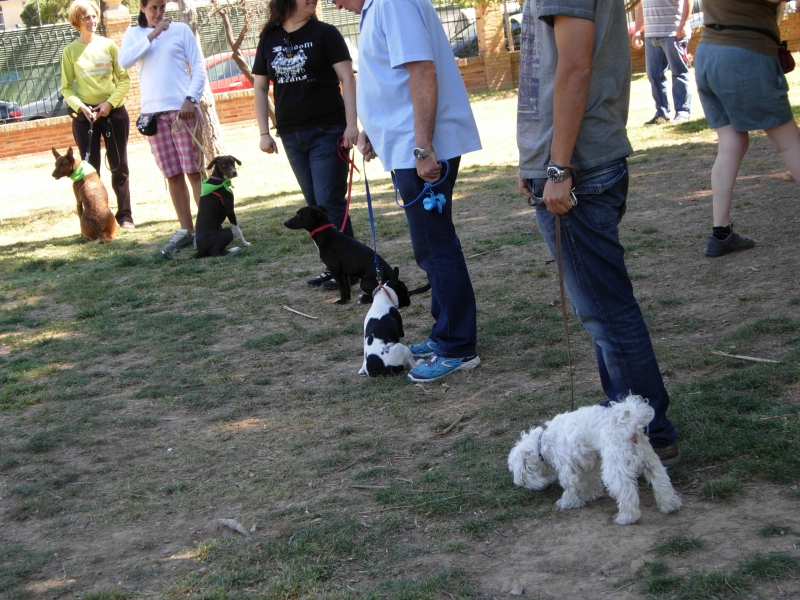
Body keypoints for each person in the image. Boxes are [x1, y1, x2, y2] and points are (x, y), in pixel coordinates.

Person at [516, 0, 680, 465]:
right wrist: (533, 159)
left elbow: (576, 66)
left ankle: (647, 436)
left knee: (607, 313)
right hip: (570, 162)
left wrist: (556, 164)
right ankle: (625, 422)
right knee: (602, 310)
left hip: (579, 167)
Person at [331, 0, 482, 383]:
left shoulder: (390, 3)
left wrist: (422, 148)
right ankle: (445, 332)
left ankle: (457, 346)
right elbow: (395, 82)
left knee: (435, 247)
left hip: (422, 151)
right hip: (410, 147)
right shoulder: (379, 8)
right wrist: (375, 131)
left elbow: (422, 71)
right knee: (433, 246)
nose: (330, 2)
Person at [253, 0, 359, 290]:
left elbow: (347, 79)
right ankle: (337, 266)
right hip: (291, 134)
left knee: (329, 202)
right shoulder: (269, 38)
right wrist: (264, 132)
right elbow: (260, 88)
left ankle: (346, 269)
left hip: (328, 129)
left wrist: (352, 125)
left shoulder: (326, 33)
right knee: (315, 207)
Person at [695, 0, 800, 257]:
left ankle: (721, 235)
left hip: (708, 52)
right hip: (744, 53)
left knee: (731, 144)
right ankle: (721, 235)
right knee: (789, 143)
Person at [119, 0, 207, 256]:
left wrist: (191, 99)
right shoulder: (134, 34)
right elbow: (124, 61)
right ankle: (186, 230)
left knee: (193, 171)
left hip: (183, 111)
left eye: (161, 6)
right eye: (153, 8)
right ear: (143, 8)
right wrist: (153, 34)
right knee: (172, 175)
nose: (158, 13)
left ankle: (205, 230)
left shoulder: (181, 30)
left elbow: (198, 66)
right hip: (153, 115)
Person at [61, 0, 134, 228]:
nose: (92, 21)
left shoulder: (109, 45)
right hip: (86, 118)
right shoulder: (70, 51)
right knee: (89, 170)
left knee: (118, 165)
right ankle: (98, 218)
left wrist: (109, 104)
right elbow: (66, 87)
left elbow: (124, 79)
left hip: (113, 114)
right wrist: (80, 107)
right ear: (77, 21)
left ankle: (124, 217)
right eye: (86, 18)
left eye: (94, 16)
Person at [630, 0, 692, 125]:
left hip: (674, 33)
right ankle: (662, 113)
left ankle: (682, 112)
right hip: (651, 35)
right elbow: (642, 4)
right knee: (654, 76)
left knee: (679, 73)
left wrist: (683, 23)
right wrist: (637, 30)